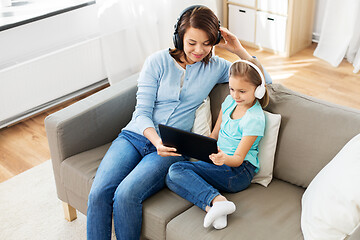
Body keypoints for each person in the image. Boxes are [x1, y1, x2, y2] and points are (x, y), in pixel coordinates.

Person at [87, 5, 272, 240]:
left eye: (207, 43)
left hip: (173, 147)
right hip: (135, 136)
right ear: (179, 37)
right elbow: (141, 112)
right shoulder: (156, 62)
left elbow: (264, 82)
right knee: (99, 193)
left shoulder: (215, 68)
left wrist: (238, 49)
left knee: (126, 194)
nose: (199, 50)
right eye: (192, 42)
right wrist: (155, 141)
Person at [166, 58, 269, 230]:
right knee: (170, 179)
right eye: (232, 89)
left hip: (239, 171)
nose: (235, 95)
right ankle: (213, 207)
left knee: (176, 170)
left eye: (242, 91)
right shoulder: (229, 102)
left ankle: (219, 201)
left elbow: (237, 159)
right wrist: (197, 145)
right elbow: (214, 135)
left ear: (258, 90)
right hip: (219, 161)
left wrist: (222, 159)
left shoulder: (255, 119)